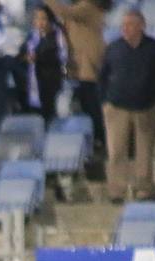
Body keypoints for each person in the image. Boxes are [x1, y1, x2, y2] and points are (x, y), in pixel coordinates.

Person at [99, 9, 155, 202]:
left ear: (141, 26)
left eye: (130, 24)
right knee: (116, 151)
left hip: (146, 107)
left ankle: (144, 189)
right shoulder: (113, 48)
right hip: (117, 107)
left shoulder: (154, 47)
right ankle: (117, 191)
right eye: (123, 25)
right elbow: (103, 77)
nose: (126, 29)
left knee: (144, 151)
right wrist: (105, 102)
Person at [46, 0, 108, 149]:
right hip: (78, 64)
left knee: (92, 105)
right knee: (86, 104)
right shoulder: (80, 9)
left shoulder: (88, 6)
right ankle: (93, 140)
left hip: (89, 64)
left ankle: (101, 139)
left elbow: (65, 12)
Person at [23, 5, 68, 123]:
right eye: (37, 19)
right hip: (35, 84)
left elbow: (57, 57)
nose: (40, 22)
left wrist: (38, 58)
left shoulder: (57, 37)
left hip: (50, 82)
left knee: (50, 115)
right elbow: (22, 54)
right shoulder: (32, 37)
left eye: (43, 19)